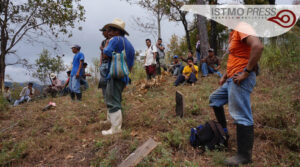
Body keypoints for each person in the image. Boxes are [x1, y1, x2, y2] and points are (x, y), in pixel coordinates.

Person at [209, 27, 263, 165]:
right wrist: (225, 76)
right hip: (231, 78)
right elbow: (235, 57)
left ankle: (244, 156)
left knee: (241, 114)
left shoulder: (242, 27)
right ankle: (223, 133)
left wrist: (246, 72)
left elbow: (258, 46)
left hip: (241, 78)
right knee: (214, 99)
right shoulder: (233, 33)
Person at [102, 18, 135, 135]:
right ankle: (113, 122)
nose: (109, 32)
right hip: (123, 76)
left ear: (118, 31)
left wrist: (105, 46)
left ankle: (115, 129)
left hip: (114, 75)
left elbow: (106, 54)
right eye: (108, 30)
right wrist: (126, 78)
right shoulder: (129, 44)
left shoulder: (114, 40)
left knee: (112, 100)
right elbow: (130, 64)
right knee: (117, 99)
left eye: (112, 30)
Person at [98, 26, 110, 101]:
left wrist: (103, 49)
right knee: (102, 81)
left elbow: (107, 52)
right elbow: (102, 53)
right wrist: (100, 62)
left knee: (110, 80)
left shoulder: (112, 40)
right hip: (103, 63)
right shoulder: (103, 42)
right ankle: (105, 97)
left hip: (109, 62)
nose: (102, 33)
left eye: (103, 31)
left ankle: (109, 97)